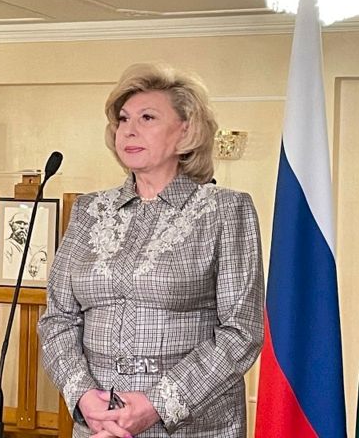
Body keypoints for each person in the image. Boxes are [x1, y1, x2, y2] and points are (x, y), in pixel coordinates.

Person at [38, 62, 264, 438]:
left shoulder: (226, 209)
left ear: (186, 129)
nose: (129, 130)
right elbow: (58, 319)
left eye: (147, 117)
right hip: (98, 425)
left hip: (193, 427)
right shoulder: (89, 210)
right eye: (123, 119)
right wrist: (84, 398)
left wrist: (156, 405)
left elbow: (241, 331)